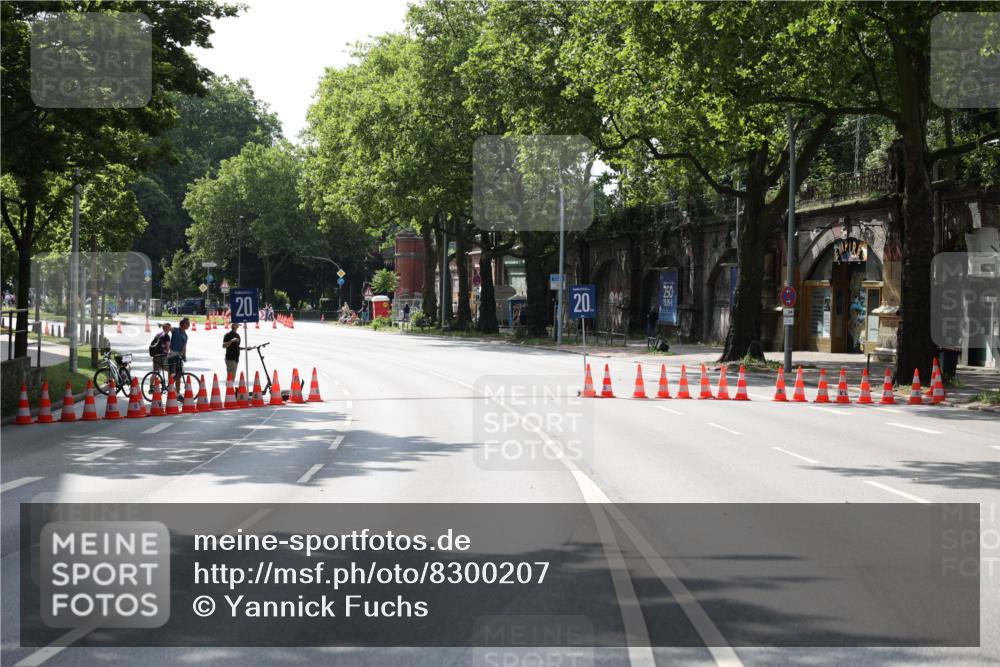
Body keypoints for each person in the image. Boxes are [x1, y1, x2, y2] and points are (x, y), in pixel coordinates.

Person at [168, 317, 189, 389]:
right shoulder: (176, 330)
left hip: (179, 356)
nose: (189, 325)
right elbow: (171, 329)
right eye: (187, 323)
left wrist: (184, 355)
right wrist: (167, 327)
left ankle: (177, 392)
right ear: (182, 324)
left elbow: (184, 347)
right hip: (173, 354)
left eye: (188, 323)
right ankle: (170, 388)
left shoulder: (185, 335)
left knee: (179, 375)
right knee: (172, 374)